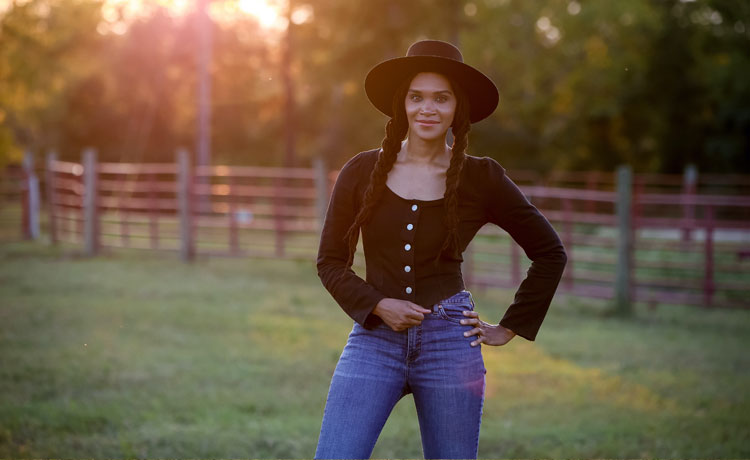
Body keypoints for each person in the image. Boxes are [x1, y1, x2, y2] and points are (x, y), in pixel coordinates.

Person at [314, 39, 567, 460]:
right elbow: (330, 263)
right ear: (402, 104)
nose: (427, 109)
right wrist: (378, 305)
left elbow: (549, 252)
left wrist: (509, 327)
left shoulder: (481, 176)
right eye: (416, 97)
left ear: (457, 108)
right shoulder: (361, 171)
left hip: (451, 342)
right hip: (374, 341)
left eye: (440, 98)